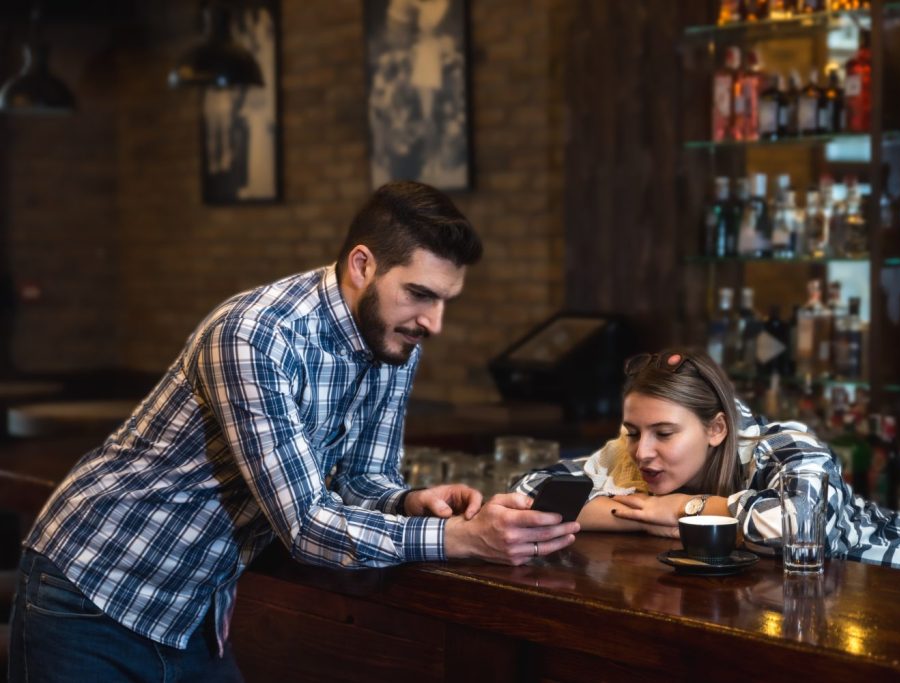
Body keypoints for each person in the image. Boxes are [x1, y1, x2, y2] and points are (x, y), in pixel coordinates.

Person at [7, 181, 579, 682]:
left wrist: (407, 500)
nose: (434, 323)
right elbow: (306, 528)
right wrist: (464, 538)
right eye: (421, 294)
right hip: (91, 589)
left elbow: (360, 479)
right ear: (362, 266)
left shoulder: (396, 342)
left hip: (193, 613)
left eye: (446, 301)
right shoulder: (256, 335)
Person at [513, 348, 900, 580]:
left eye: (664, 433)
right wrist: (641, 515)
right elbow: (530, 492)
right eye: (634, 432)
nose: (641, 452)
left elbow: (801, 525)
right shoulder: (632, 453)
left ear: (716, 429)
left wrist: (682, 510)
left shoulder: (786, 445)